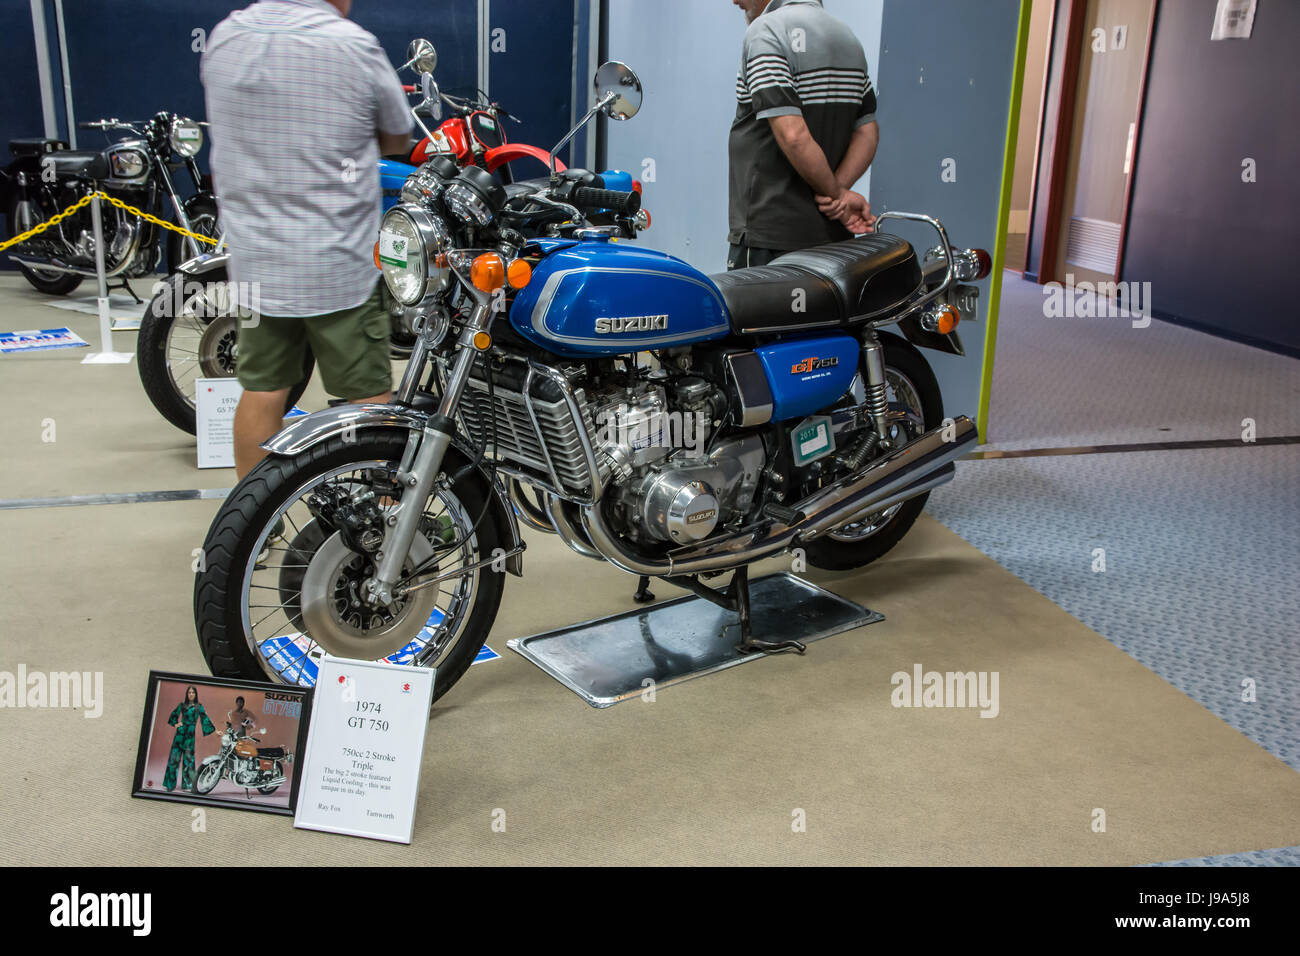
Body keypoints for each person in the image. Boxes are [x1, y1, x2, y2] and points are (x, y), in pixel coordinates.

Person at [200, 0, 413, 476]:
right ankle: (385, 519)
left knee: (262, 390)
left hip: (259, 261)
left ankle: (254, 522)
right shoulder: (353, 44)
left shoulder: (226, 38)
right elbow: (399, 138)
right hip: (339, 263)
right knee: (368, 401)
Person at [727, 0, 879, 269]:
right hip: (834, 239)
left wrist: (834, 193)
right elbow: (867, 131)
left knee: (760, 313)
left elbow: (793, 135)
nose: (735, 1)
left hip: (771, 238)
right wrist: (839, 194)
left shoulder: (767, 31)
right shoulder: (846, 36)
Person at [163, 685, 216, 791]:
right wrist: (176, 724)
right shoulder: (182, 705)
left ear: (196, 694)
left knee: (189, 760)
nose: (191, 694)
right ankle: (170, 784)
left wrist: (215, 731)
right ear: (187, 694)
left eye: (193, 692)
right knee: (174, 758)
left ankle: (187, 785)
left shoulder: (198, 706)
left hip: (190, 737)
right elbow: (174, 715)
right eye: (189, 692)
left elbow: (205, 719)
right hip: (180, 735)